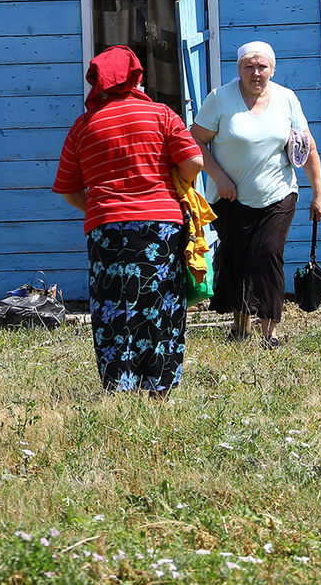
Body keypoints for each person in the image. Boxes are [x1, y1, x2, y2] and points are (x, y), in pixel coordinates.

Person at [54, 46, 204, 394]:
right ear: (137, 76)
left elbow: (68, 189)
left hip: (106, 227)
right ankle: (160, 384)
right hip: (160, 225)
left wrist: (101, 206)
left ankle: (118, 384)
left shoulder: (84, 125)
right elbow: (194, 163)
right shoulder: (161, 115)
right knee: (161, 301)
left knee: (113, 304)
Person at [192, 41, 321, 348]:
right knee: (237, 256)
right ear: (238, 69)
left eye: (262, 67)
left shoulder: (286, 99)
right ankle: (241, 325)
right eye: (249, 66)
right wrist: (219, 177)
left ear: (272, 69)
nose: (256, 73)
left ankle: (270, 332)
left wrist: (318, 194)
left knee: (267, 254)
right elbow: (195, 140)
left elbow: (308, 147)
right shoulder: (220, 99)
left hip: (278, 193)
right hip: (229, 197)